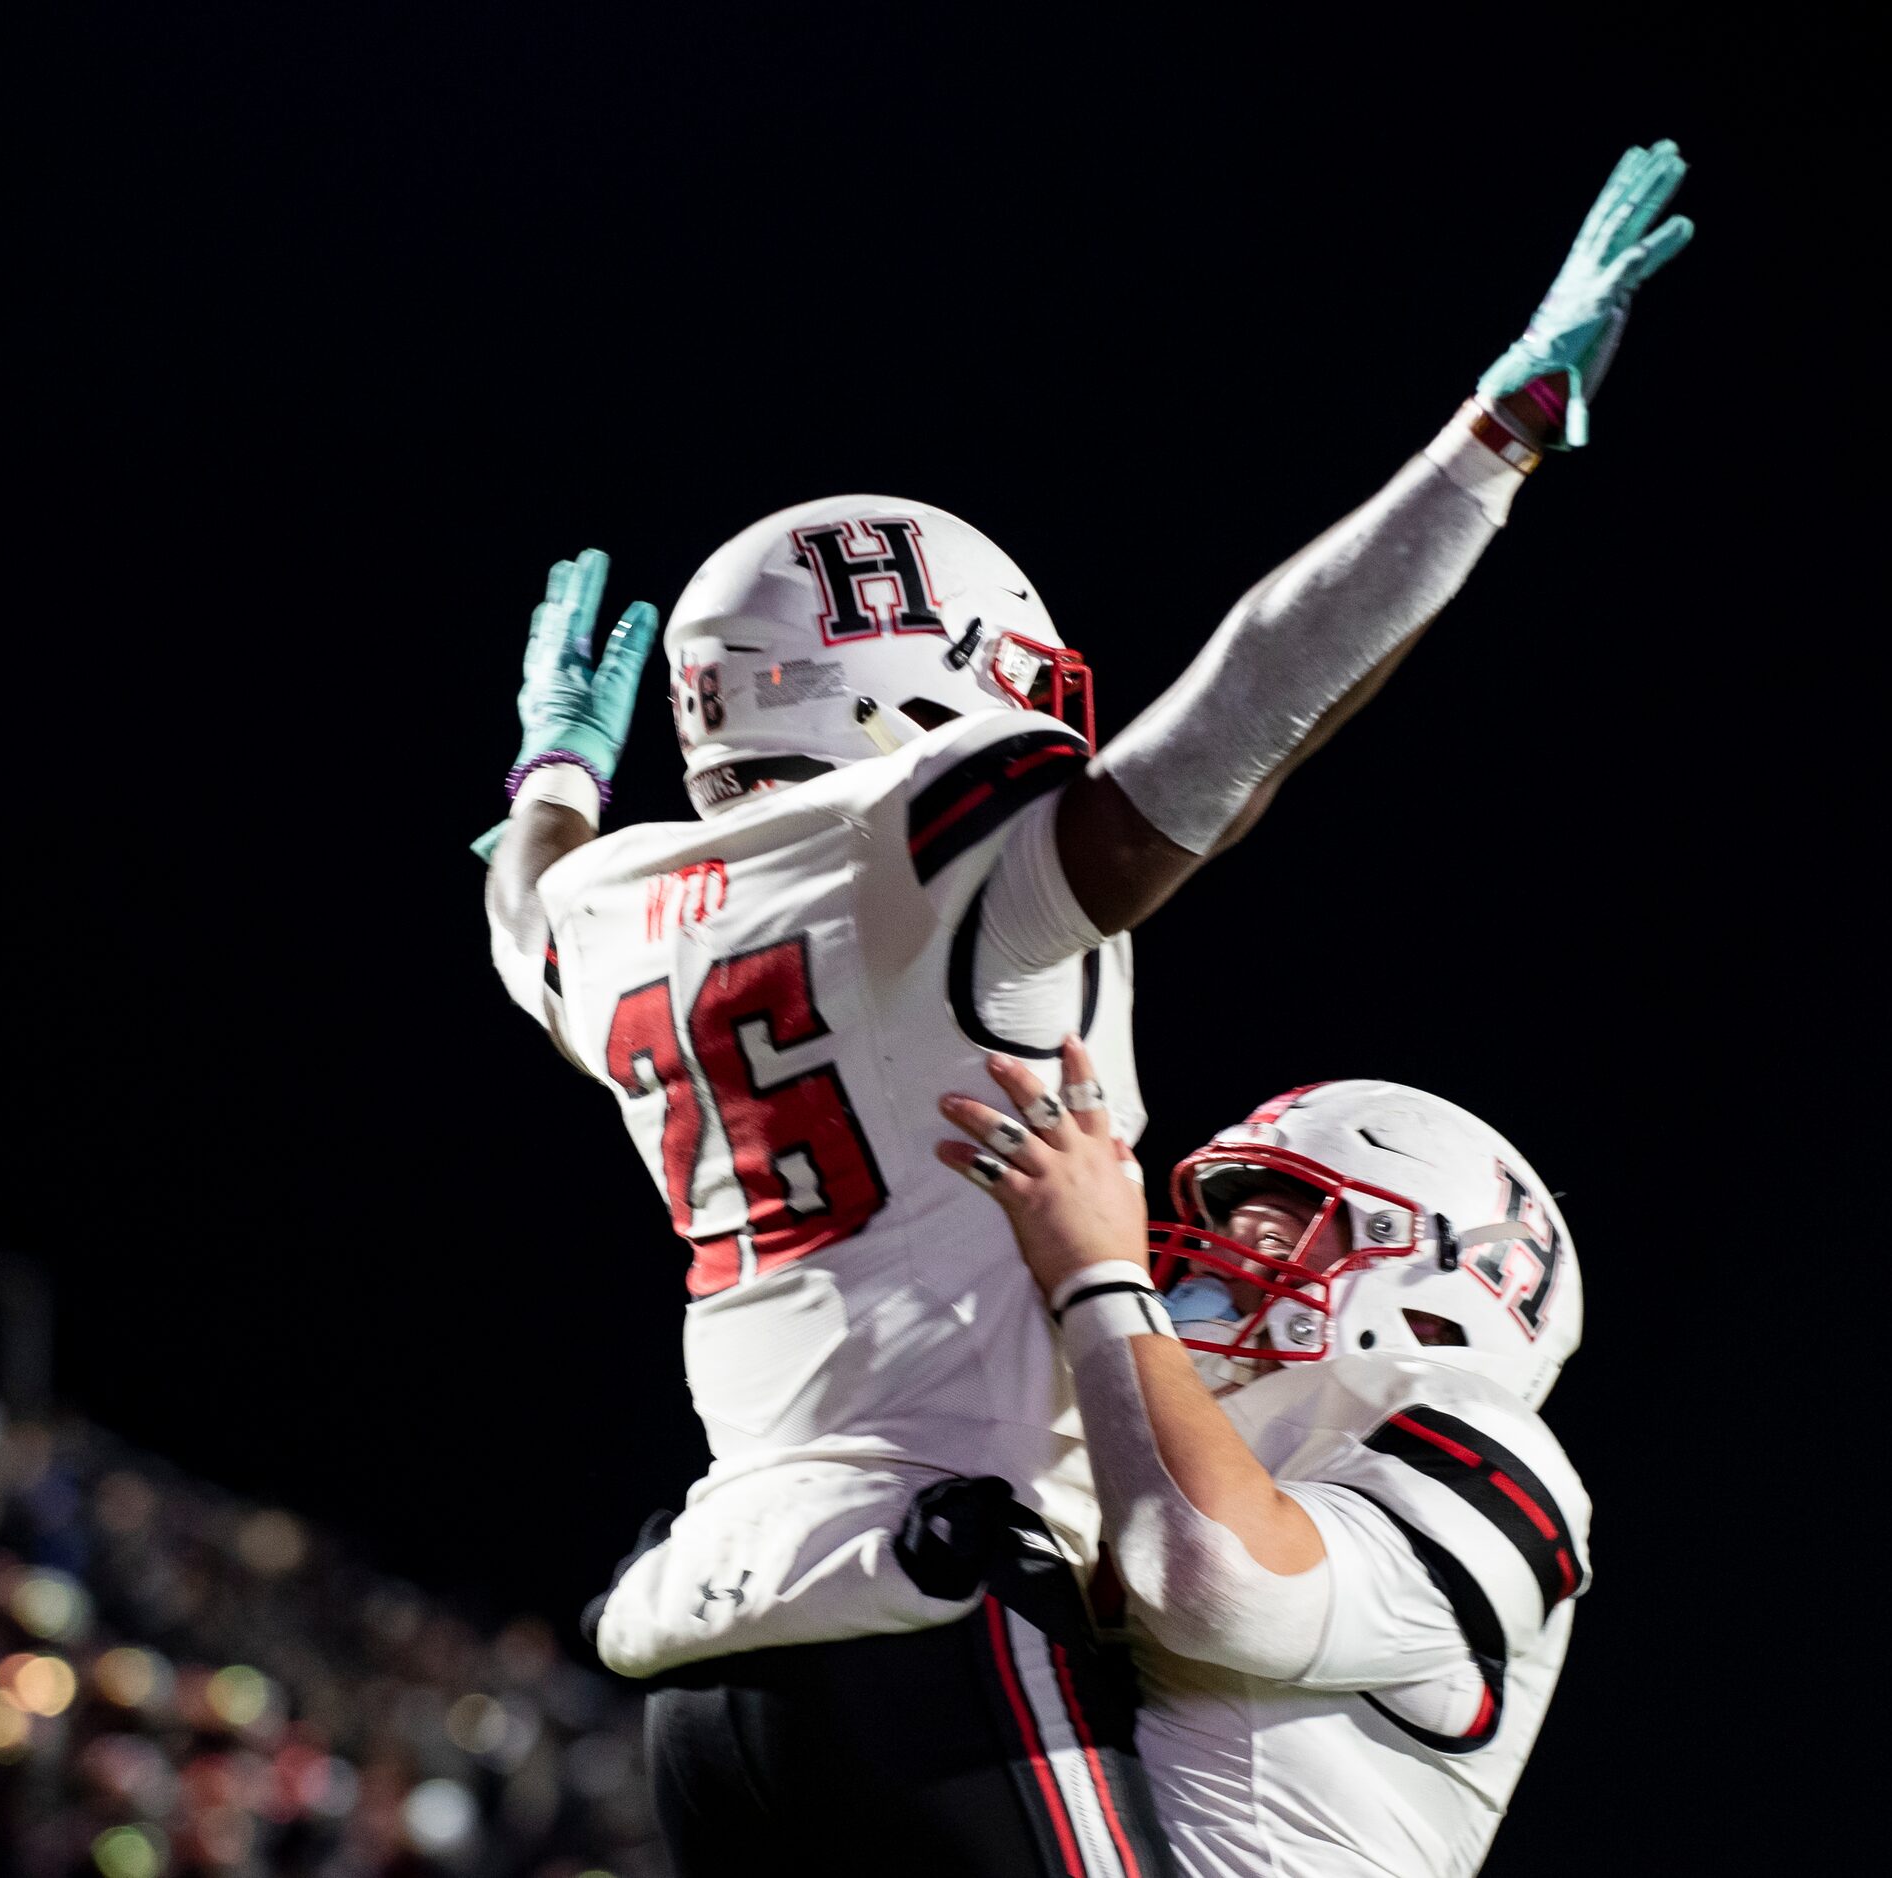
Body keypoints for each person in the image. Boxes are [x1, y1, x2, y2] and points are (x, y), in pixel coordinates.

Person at [476, 143, 1686, 1875]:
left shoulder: (606, 916)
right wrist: (1480, 455)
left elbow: (522, 913)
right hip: (936, 1603)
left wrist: (552, 777)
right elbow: (1245, 708)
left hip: (701, 1640)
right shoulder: (940, 855)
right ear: (929, 687)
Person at [934, 1040, 1590, 1877]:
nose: (1222, 1268)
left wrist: (1099, 1277)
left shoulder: (1487, 1441)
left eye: (1277, 1240)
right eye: (1222, 1233)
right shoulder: (1214, 1422)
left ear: (1435, 1309)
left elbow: (1222, 1581)